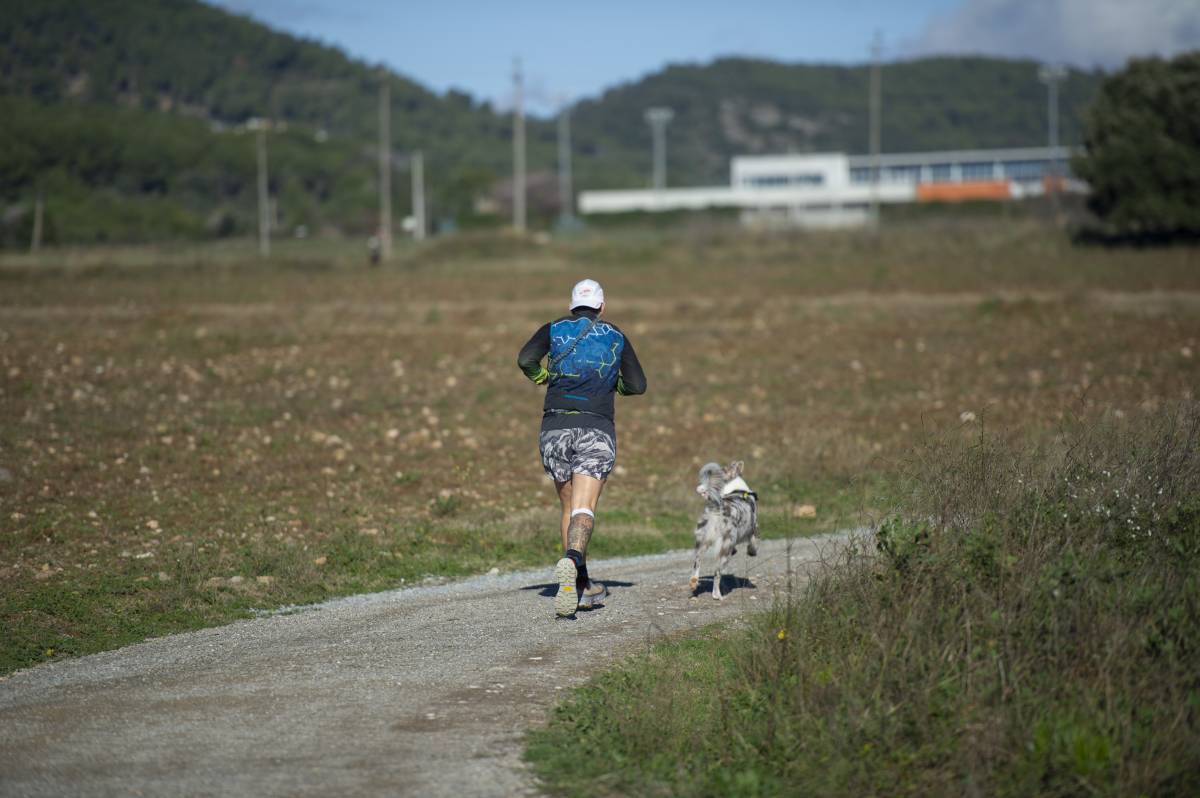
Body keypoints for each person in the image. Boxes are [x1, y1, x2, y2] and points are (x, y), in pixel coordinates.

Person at [517, 278, 647, 618]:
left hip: (554, 428)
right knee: (584, 508)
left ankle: (579, 584)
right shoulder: (616, 335)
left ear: (573, 305)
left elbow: (525, 359)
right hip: (596, 427)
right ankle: (573, 561)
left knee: (567, 507)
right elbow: (638, 385)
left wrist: (542, 379)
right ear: (602, 307)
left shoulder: (553, 328)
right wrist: (614, 385)